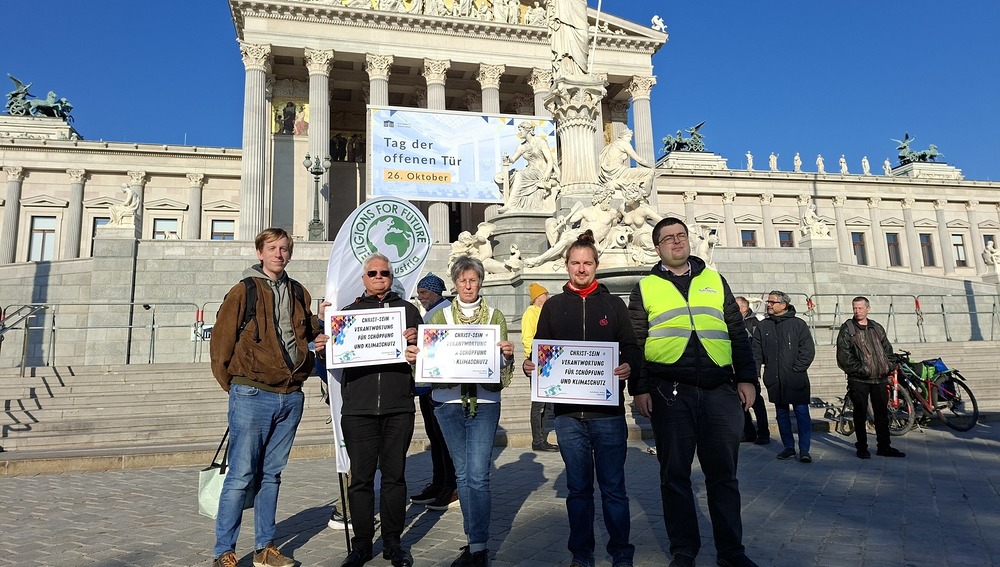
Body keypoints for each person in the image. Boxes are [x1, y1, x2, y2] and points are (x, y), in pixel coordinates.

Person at [628, 217, 759, 567]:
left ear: (688, 241)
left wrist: (747, 379)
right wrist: (639, 389)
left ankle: (732, 552)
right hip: (669, 391)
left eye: (681, 236)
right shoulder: (644, 287)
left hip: (720, 389)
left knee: (724, 477)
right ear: (657, 248)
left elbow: (737, 331)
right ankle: (684, 550)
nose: (676, 242)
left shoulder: (715, 279)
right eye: (667, 238)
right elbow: (635, 343)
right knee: (674, 476)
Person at [523, 230, 641, 567]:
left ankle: (621, 553)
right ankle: (582, 554)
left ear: (596, 266)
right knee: (578, 491)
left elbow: (630, 345)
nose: (581, 268)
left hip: (608, 414)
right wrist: (533, 366)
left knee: (614, 489)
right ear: (566, 266)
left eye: (587, 262)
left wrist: (629, 365)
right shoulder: (554, 306)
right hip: (568, 416)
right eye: (575, 262)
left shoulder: (613, 305)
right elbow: (541, 349)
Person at [209, 228, 327, 567]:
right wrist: (235, 386)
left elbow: (309, 331)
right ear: (260, 252)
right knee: (241, 474)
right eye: (272, 248)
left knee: (272, 474)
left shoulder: (298, 291)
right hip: (252, 393)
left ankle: (265, 549)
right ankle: (224, 551)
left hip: (290, 396)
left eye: (285, 248)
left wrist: (321, 334)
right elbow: (221, 344)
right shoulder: (243, 290)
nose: (279, 254)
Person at [406, 255, 515, 567]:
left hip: (484, 404)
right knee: (464, 475)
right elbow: (426, 372)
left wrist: (505, 356)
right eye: (463, 280)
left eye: (474, 279)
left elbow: (503, 376)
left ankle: (478, 546)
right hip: (448, 405)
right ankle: (473, 541)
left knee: (478, 476)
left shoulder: (495, 315)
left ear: (480, 282)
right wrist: (415, 359)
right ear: (454, 283)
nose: (468, 285)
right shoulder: (438, 319)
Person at [338, 253, 422, 567]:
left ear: (391, 276)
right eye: (372, 272)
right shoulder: (348, 314)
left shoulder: (409, 311)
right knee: (360, 479)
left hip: (398, 405)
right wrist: (324, 343)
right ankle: (360, 545)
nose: (378, 277)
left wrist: (418, 346)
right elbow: (332, 363)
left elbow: (427, 360)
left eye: (384, 272)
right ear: (363, 278)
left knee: (395, 478)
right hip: (358, 408)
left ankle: (393, 543)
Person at [835, 297, 906, 460]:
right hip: (859, 380)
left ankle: (884, 446)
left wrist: (889, 365)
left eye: (860, 308)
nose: (857, 311)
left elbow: (887, 348)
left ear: (868, 308)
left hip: (880, 378)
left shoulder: (876, 327)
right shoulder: (848, 329)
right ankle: (862, 447)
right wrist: (861, 370)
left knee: (882, 413)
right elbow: (843, 356)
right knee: (859, 414)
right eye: (855, 308)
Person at [410, 273, 459, 510]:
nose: (421, 297)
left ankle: (451, 486)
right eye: (419, 292)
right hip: (427, 386)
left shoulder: (445, 313)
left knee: (443, 439)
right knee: (436, 439)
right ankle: (440, 483)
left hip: (439, 387)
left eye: (424, 292)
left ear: (437, 292)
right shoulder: (430, 313)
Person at [752, 291, 815, 463]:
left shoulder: (798, 324)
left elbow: (807, 350)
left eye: (772, 302)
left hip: (795, 378)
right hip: (775, 378)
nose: (769, 305)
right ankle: (788, 447)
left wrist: (797, 369)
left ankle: (804, 449)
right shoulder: (763, 326)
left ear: (783, 304)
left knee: (802, 413)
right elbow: (756, 352)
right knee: (781, 413)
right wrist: (756, 372)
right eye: (768, 302)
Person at [521, 282, 558, 452]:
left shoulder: (547, 312)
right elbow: (528, 337)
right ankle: (537, 440)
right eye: (545, 294)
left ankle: (541, 438)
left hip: (549, 359)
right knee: (538, 403)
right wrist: (533, 356)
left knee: (548, 403)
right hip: (537, 360)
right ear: (538, 297)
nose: (548, 297)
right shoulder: (530, 313)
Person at [498, 122, 555, 214]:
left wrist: (547, 172)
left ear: (527, 130)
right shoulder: (522, 146)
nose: (519, 133)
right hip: (530, 171)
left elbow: (550, 160)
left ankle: (510, 204)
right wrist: (507, 159)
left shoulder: (540, 142)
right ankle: (512, 203)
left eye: (520, 130)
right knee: (502, 176)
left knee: (519, 175)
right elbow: (513, 159)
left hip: (541, 171)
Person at [735, 296, 769, 445]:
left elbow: (757, 350)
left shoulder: (755, 323)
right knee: (740, 403)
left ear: (743, 308)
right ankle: (748, 432)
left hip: (749, 369)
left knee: (757, 403)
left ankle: (763, 433)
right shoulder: (733, 322)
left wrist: (754, 372)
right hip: (735, 369)